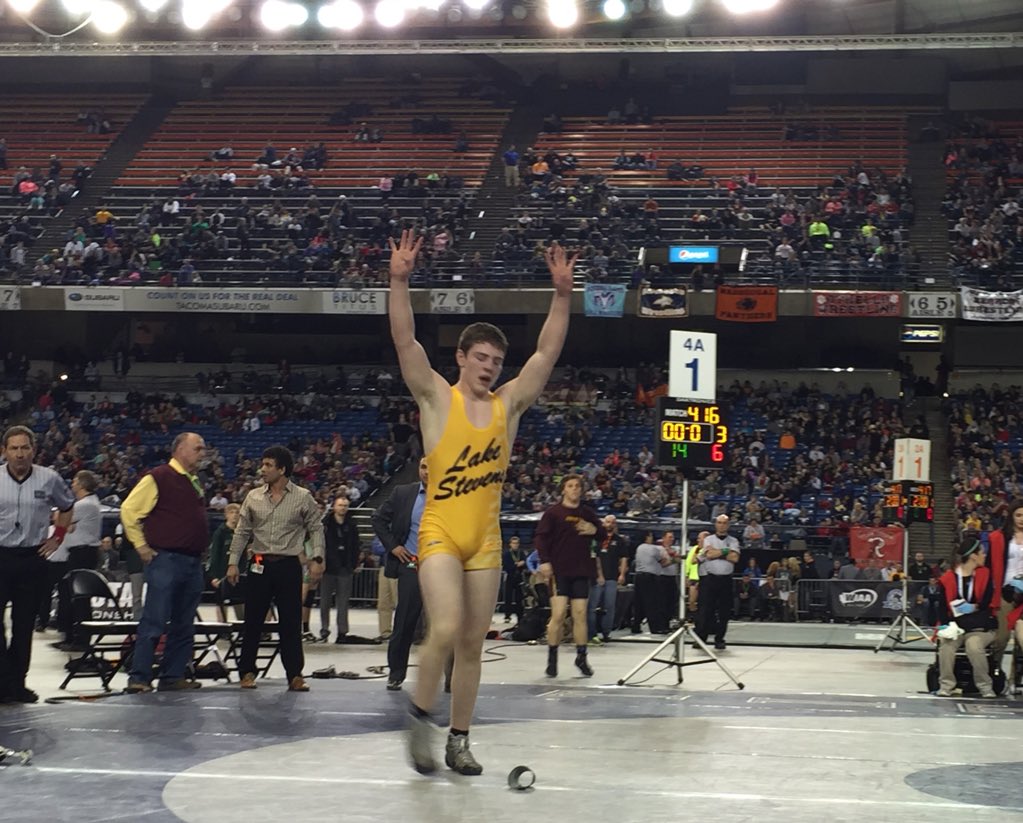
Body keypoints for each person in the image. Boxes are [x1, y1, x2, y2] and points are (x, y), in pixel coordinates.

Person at [387, 228, 576, 775]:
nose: (491, 367)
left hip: (486, 539)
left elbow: (546, 353)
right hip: (442, 530)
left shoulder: (508, 406)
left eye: (497, 359)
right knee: (443, 628)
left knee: (472, 644)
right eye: (482, 357)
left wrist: (562, 296)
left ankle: (460, 739)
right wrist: (399, 280)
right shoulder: (435, 398)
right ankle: (421, 717)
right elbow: (405, 343)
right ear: (462, 358)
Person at [226, 445, 324, 693]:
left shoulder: (302, 497)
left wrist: (318, 558)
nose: (263, 469)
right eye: (263, 464)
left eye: (268, 465)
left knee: (290, 622)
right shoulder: (253, 497)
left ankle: (295, 675)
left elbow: (316, 527)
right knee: (253, 621)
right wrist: (232, 563)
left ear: (282, 469)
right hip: (259, 561)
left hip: (289, 563)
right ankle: (247, 671)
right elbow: (242, 532)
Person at [120, 432, 209, 694]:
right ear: (179, 449)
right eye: (197, 448)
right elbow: (129, 510)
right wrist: (141, 546)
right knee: (155, 620)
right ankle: (139, 677)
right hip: (166, 559)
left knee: (184, 622)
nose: (202, 453)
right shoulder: (158, 477)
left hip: (191, 561)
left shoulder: (193, 481)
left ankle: (172, 675)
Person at [0, 426, 75, 703]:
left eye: (24, 448)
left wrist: (58, 536)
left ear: (34, 450)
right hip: (1, 556)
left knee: (23, 625)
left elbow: (67, 506)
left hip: (33, 557)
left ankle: (17, 685)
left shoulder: (49, 478)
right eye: (14, 448)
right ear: (4, 451)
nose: (20, 454)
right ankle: (1, 681)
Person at [535, 475, 606, 677]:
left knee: (580, 614)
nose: (574, 489)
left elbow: (601, 533)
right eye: (570, 486)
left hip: (581, 570)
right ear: (563, 490)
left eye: (577, 486)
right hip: (560, 570)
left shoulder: (587, 513)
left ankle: (581, 657)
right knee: (558, 615)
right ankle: (552, 658)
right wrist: (544, 561)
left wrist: (594, 530)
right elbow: (540, 538)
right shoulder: (553, 513)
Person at [372, 458, 428, 691]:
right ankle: (396, 673)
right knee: (404, 621)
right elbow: (378, 519)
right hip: (412, 566)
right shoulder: (404, 492)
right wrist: (393, 546)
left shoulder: (452, 497)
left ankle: (450, 676)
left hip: (443, 568)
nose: (427, 471)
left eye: (433, 466)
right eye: (424, 466)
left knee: (446, 625)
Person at [936, 536, 998, 698]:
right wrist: (945, 627)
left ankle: (985, 686)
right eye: (982, 553)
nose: (984, 556)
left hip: (980, 628)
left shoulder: (985, 575)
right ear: (973, 556)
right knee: (946, 645)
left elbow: (985, 603)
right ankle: (946, 685)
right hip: (957, 627)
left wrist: (972, 608)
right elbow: (943, 607)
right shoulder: (948, 578)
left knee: (973, 645)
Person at [53, 469, 103, 650]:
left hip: (83, 553)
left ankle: (81, 639)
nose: (72, 483)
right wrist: (67, 524)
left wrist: (64, 520)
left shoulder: (86, 505)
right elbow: (67, 525)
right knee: (69, 595)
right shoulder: (85, 504)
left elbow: (59, 519)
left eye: (74, 481)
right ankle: (70, 635)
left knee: (79, 597)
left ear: (82, 484)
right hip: (79, 552)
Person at [984, 499, 1023, 664]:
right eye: (1018, 515)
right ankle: (995, 671)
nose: (1022, 519)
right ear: (1012, 516)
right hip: (1005, 592)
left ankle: (1015, 680)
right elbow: (988, 567)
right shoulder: (999, 537)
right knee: (1002, 637)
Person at [320, 495, 361, 643]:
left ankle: (342, 631)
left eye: (345, 505)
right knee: (325, 601)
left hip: (345, 567)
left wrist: (354, 563)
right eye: (340, 505)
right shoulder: (326, 524)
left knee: (343, 602)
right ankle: (324, 629)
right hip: (328, 567)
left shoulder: (351, 525)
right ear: (334, 506)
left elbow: (356, 545)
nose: (343, 508)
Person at [696, 514, 741, 650]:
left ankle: (719, 638)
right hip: (711, 578)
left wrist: (718, 552)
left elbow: (735, 558)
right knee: (705, 610)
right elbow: (709, 554)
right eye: (719, 523)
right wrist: (726, 552)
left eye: (724, 523)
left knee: (724, 611)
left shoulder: (734, 540)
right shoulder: (708, 539)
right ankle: (701, 638)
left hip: (726, 579)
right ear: (716, 524)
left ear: (728, 525)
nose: (722, 525)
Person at [588, 515, 628, 643]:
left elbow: (624, 558)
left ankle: (606, 632)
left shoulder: (620, 540)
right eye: (608, 522)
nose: (610, 524)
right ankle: (591, 633)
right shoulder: (596, 538)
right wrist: (599, 575)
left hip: (612, 577)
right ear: (603, 523)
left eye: (613, 522)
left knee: (609, 606)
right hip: (596, 577)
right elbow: (594, 557)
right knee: (592, 606)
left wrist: (622, 574)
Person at [207, 503, 245, 623]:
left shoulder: (243, 533)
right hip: (222, 574)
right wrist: (214, 576)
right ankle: (222, 629)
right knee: (221, 602)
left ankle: (242, 628)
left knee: (240, 601)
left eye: (237, 513)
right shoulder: (220, 532)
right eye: (231, 512)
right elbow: (214, 555)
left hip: (240, 574)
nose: (234, 515)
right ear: (226, 515)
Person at [632, 531, 669, 633]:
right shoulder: (653, 548)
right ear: (647, 537)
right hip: (650, 577)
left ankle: (635, 625)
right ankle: (655, 627)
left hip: (639, 576)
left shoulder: (639, 547)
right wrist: (673, 560)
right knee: (652, 602)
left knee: (639, 602)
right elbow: (663, 561)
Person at [501, 535, 526, 623]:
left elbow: (525, 563)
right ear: (510, 544)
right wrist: (516, 564)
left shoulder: (521, 553)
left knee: (519, 597)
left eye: (517, 543)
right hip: (510, 576)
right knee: (508, 597)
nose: (515, 545)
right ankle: (507, 615)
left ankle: (520, 615)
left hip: (518, 576)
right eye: (513, 543)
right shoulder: (506, 554)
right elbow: (505, 565)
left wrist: (522, 564)